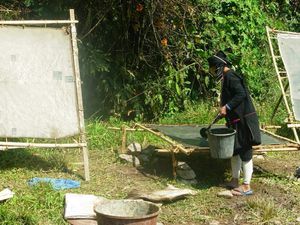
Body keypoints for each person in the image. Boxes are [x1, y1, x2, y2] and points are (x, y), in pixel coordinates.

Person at [207, 51, 261, 196]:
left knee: (245, 151)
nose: (212, 72)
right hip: (235, 121)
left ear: (219, 66)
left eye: (212, 68)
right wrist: (224, 111)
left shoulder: (232, 76)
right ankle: (234, 180)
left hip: (244, 121)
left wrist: (227, 107)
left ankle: (246, 185)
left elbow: (241, 94)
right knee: (235, 151)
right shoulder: (226, 77)